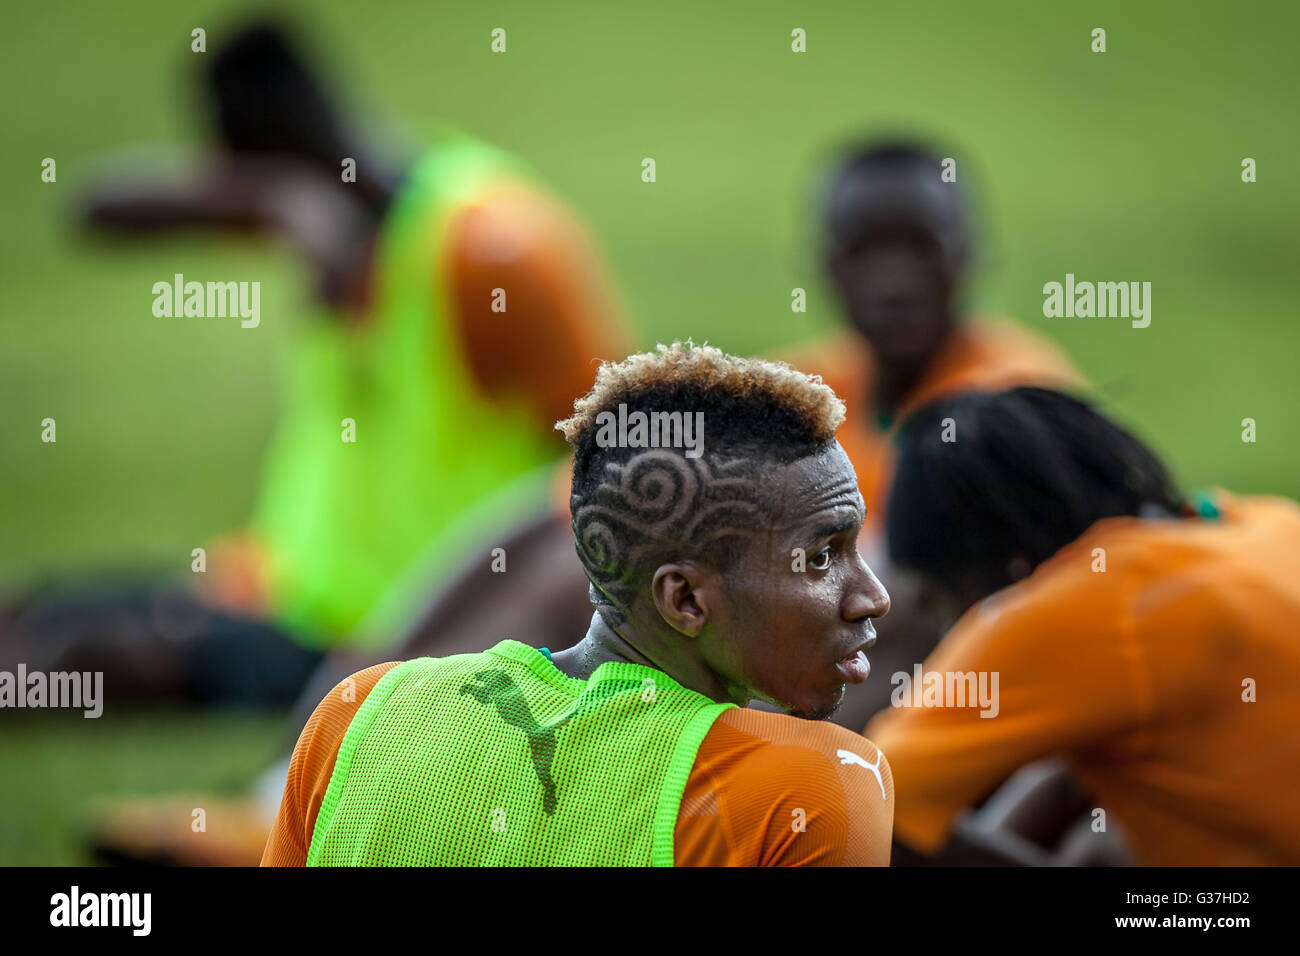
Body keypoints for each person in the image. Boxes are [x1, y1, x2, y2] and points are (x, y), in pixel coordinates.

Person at [4, 20, 627, 705]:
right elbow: (95, 206)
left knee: (66, 662)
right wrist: (273, 199)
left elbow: (609, 454)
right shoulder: (328, 212)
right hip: (278, 588)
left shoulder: (493, 251)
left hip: (389, 634)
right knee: (34, 614)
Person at [264, 343, 895, 866]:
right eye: (822, 557)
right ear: (684, 599)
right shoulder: (816, 787)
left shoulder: (360, 713)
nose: (873, 596)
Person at [867, 387, 1300, 865]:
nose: (950, 624)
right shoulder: (1264, 523)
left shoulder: (1088, 604)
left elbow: (862, 803)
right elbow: (1072, 774)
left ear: (1009, 567)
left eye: (940, 597)